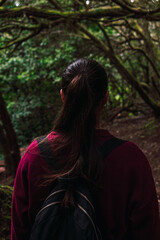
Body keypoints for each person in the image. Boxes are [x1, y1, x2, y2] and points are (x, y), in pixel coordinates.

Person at [11, 58, 160, 240]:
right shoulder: (130, 159)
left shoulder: (34, 155)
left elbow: (19, 231)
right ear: (105, 97)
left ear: (63, 96)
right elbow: (147, 231)